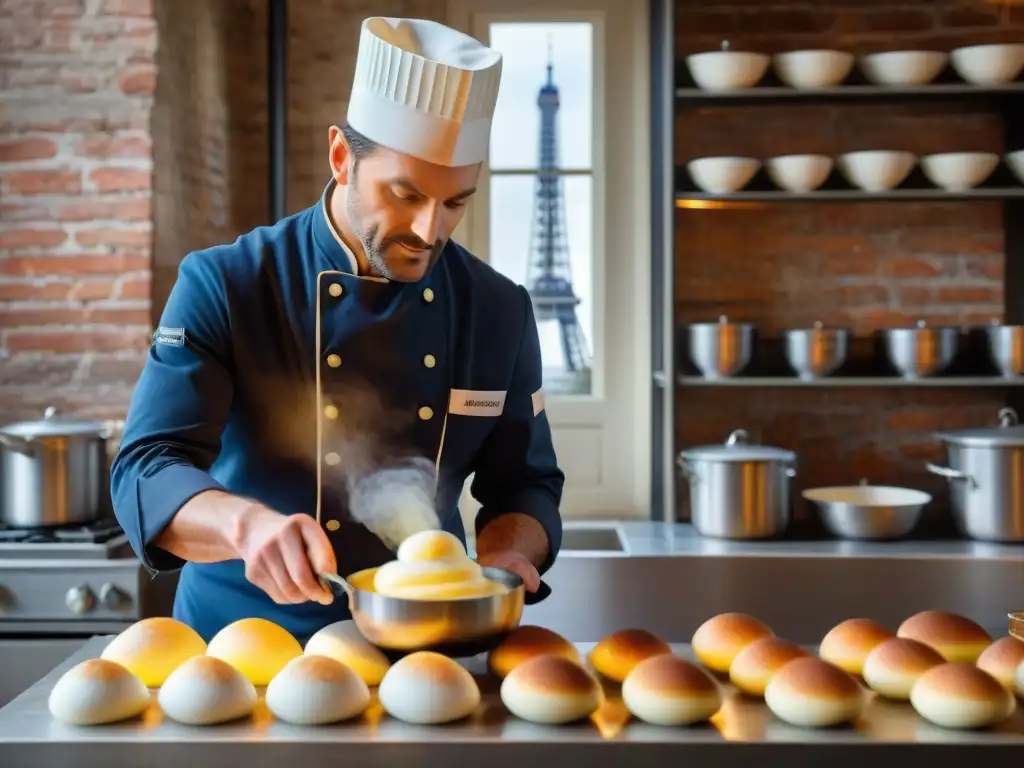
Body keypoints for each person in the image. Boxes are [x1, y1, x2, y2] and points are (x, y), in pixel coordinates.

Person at [110, 17, 564, 642]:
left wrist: (512, 552)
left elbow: (525, 484)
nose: (430, 231)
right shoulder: (229, 283)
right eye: (404, 195)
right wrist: (246, 528)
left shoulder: (498, 310)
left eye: (455, 202)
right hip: (244, 649)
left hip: (426, 649)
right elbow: (146, 467)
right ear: (341, 157)